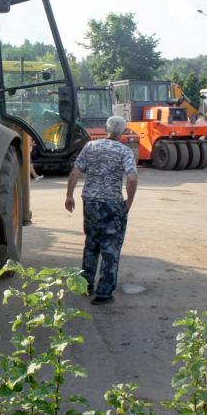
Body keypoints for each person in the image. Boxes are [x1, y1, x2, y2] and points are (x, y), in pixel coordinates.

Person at [64, 116, 137, 305]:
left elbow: (75, 172)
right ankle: (104, 293)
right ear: (123, 132)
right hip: (112, 204)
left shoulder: (90, 147)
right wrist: (129, 200)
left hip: (91, 202)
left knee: (91, 243)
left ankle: (85, 284)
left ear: (106, 128)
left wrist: (69, 195)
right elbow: (131, 178)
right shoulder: (125, 151)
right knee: (110, 248)